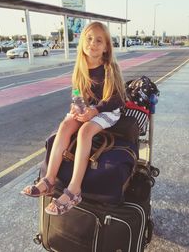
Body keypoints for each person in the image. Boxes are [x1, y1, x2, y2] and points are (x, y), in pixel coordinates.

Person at [21, 21, 125, 215]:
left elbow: (118, 98)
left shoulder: (110, 68)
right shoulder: (80, 67)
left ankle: (75, 189)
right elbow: (77, 92)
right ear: (82, 42)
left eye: (99, 40)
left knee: (85, 131)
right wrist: (77, 106)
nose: (93, 43)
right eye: (89, 39)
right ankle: (49, 180)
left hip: (108, 110)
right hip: (89, 109)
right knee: (66, 125)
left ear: (106, 48)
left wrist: (95, 111)